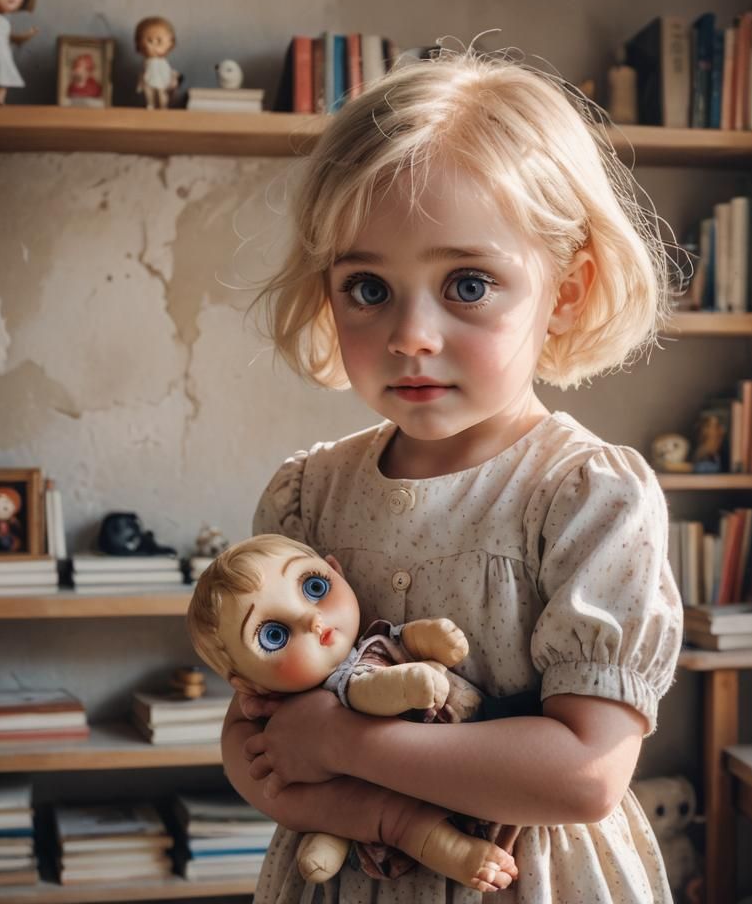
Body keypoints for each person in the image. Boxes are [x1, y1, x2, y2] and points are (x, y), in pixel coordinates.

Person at [223, 49, 684, 903]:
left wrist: (344, 748)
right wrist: (347, 793)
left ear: (569, 291)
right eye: (368, 287)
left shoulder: (589, 497)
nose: (411, 334)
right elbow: (257, 748)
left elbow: (585, 773)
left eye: (467, 283)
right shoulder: (305, 497)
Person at [187, 533, 516, 891]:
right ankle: (415, 845)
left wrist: (431, 638)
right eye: (274, 635)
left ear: (334, 569)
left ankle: (333, 837)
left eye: (314, 587)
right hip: (353, 802)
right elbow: (365, 693)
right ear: (249, 684)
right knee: (383, 817)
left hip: (474, 770)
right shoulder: (290, 707)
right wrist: (406, 686)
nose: (311, 619)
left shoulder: (374, 641)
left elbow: (404, 639)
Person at [134, 16, 180, 109]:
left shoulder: (163, 64)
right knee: (149, 95)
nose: (154, 45)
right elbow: (144, 74)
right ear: (139, 43)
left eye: (159, 40)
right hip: (149, 82)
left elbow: (168, 74)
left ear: (171, 43)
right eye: (149, 40)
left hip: (163, 83)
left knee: (162, 96)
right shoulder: (147, 63)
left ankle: (163, 107)